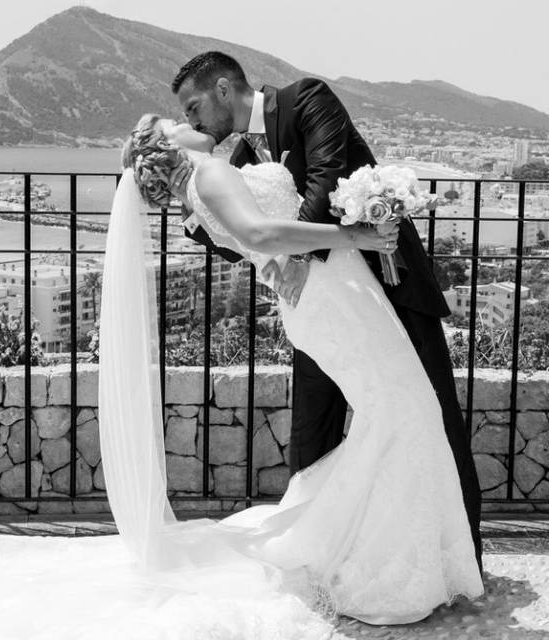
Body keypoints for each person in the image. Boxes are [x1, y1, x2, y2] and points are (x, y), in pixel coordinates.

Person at [0, 116, 482, 639]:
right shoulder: (207, 174)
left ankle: (378, 551)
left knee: (399, 413)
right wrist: (363, 234)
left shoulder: (198, 194)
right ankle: (384, 567)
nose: (188, 121)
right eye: (173, 123)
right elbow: (260, 232)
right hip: (331, 300)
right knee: (406, 410)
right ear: (169, 149)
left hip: (322, 300)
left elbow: (256, 244)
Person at [172, 52, 483, 570]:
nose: (193, 122)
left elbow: (326, 178)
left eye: (194, 106)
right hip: (325, 310)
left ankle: (459, 559)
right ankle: (322, 559)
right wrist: (196, 216)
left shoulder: (307, 98)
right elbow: (249, 238)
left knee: (432, 419)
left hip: (390, 285)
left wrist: (298, 258)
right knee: (312, 435)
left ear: (224, 89)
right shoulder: (242, 161)